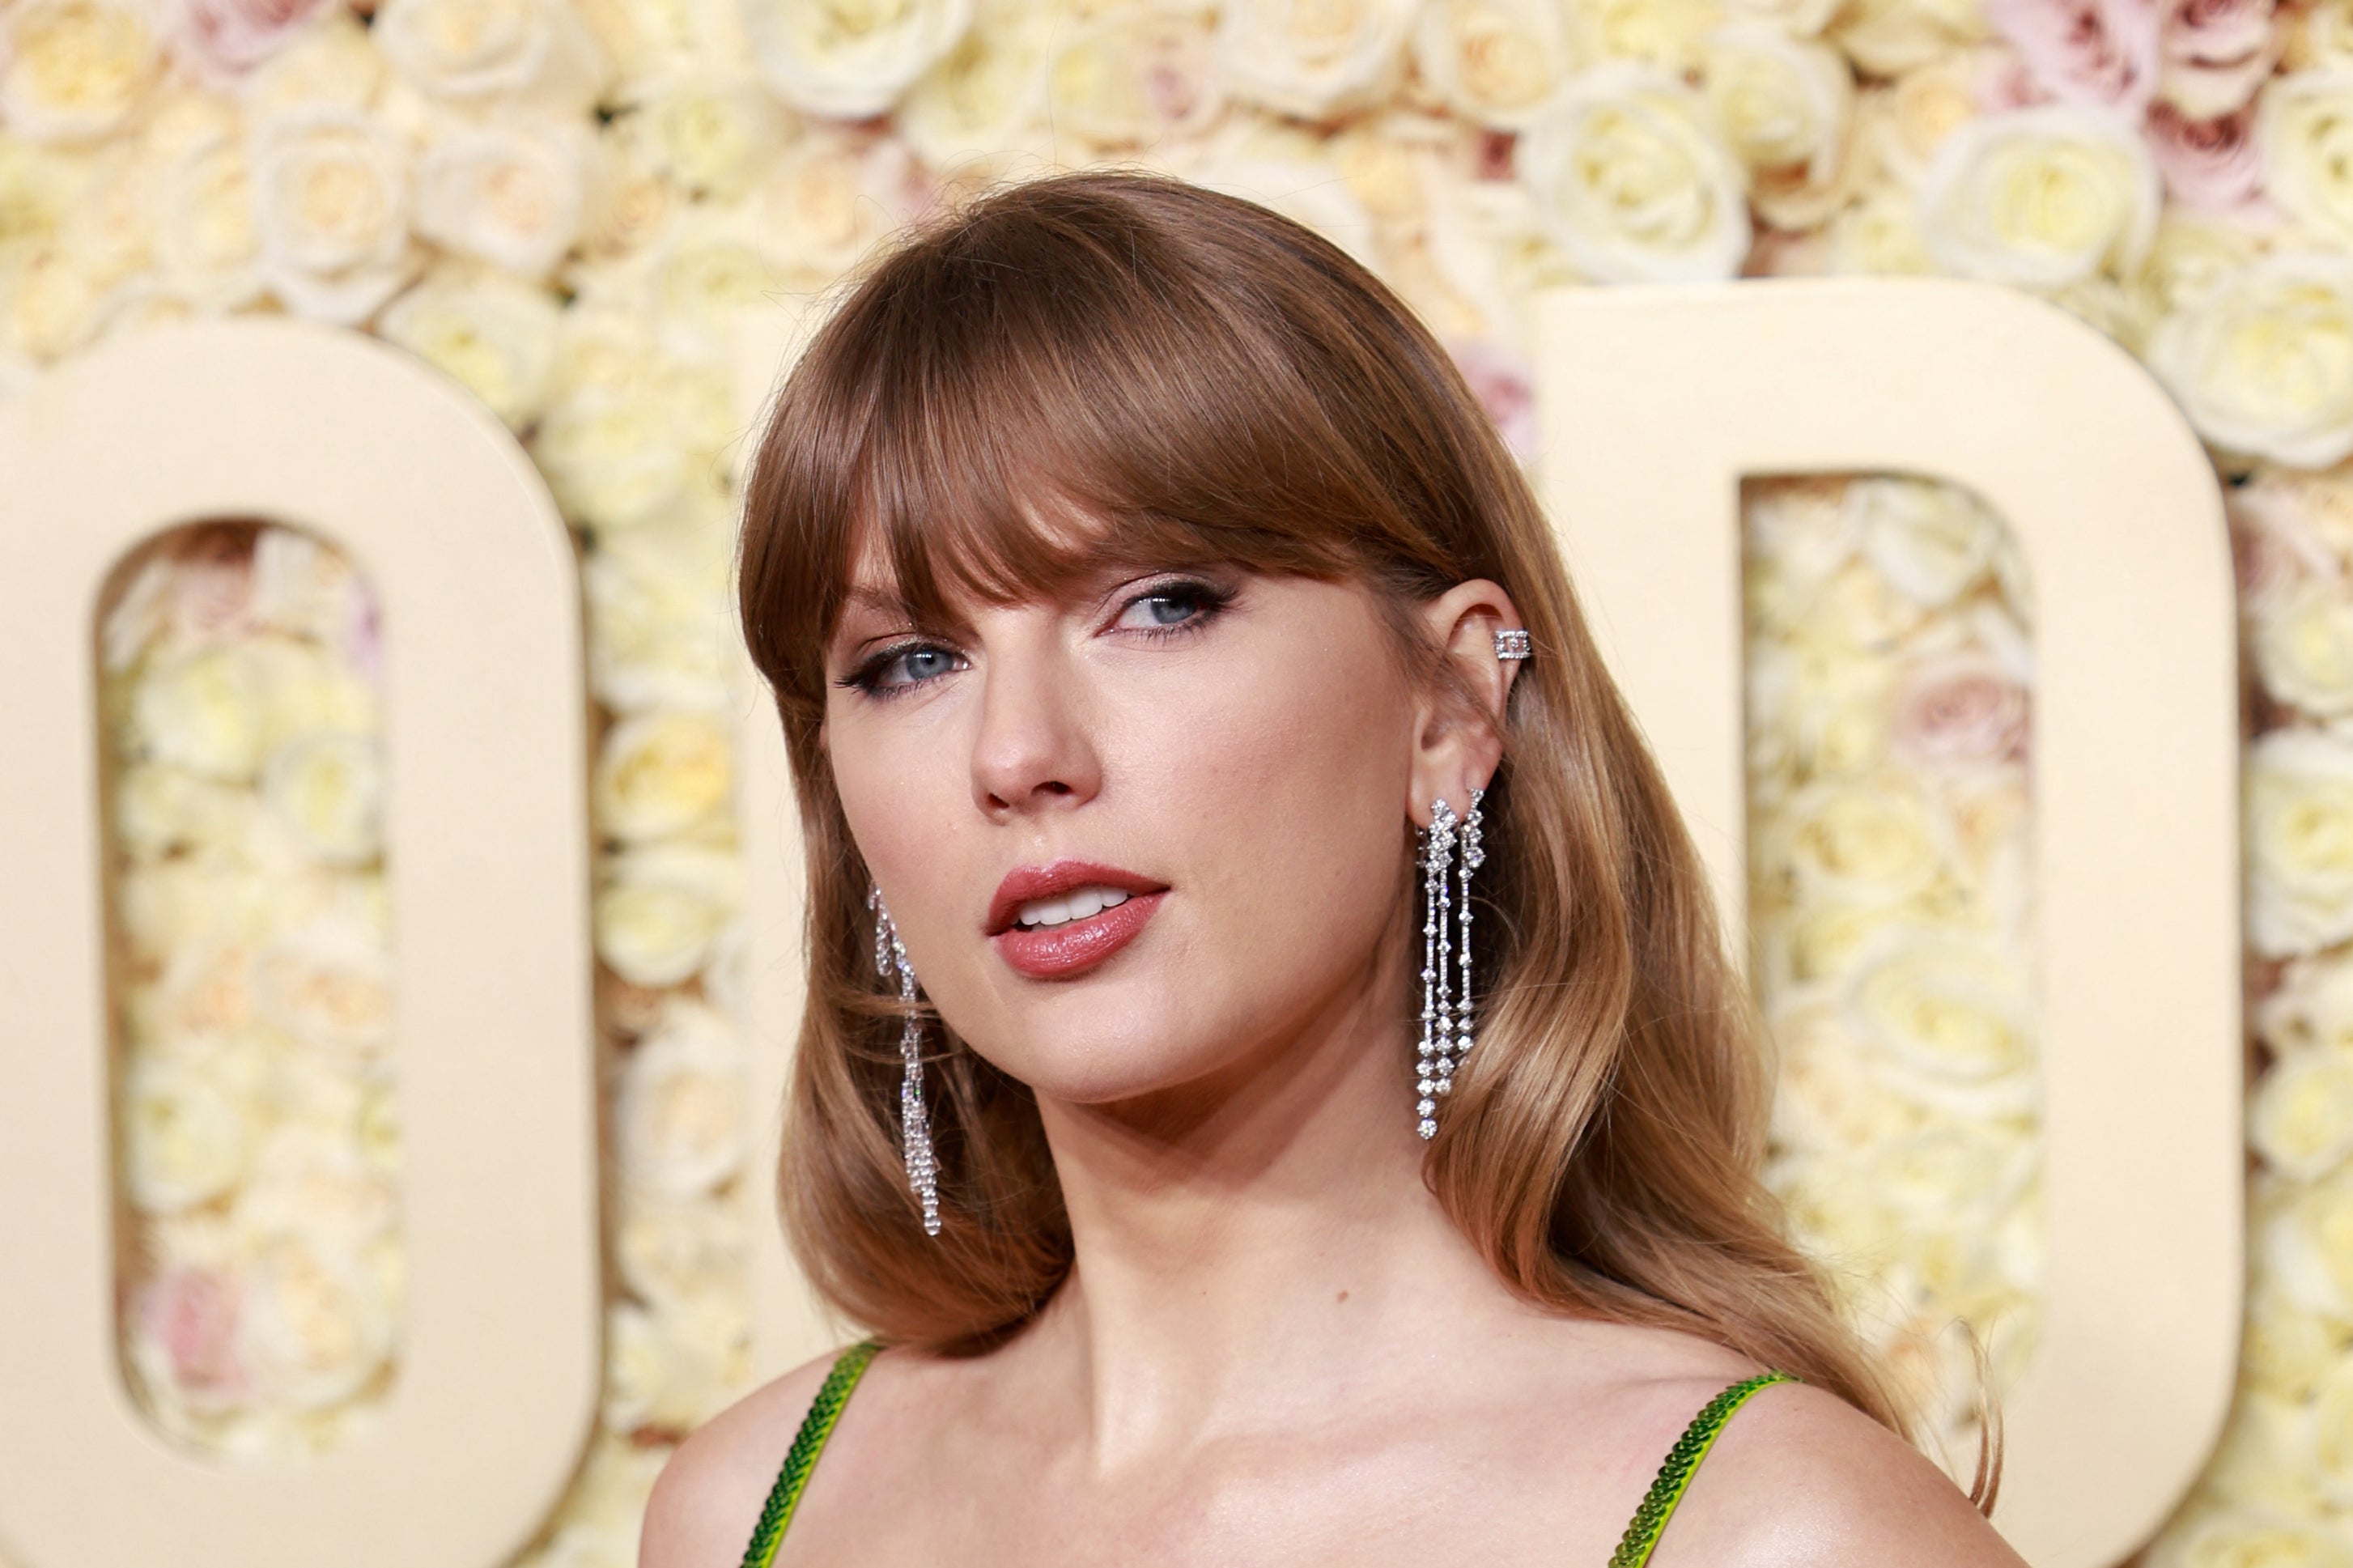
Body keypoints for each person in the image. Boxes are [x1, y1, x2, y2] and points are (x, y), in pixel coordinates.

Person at [641, 170, 2028, 1566]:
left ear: (1450, 706)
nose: (1017, 752)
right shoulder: (752, 1512)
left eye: (1161, 605)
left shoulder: (1777, 1534)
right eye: (911, 661)